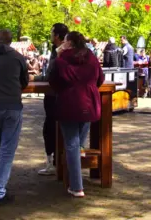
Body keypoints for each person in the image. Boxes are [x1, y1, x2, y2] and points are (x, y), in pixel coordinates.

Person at [49, 31, 104, 198]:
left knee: (72, 144)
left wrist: (58, 55)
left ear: (69, 43)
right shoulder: (91, 57)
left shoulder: (62, 59)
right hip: (90, 103)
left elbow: (53, 81)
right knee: (78, 144)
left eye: (64, 41)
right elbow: (100, 78)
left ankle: (76, 186)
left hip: (69, 103)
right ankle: (76, 179)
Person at [0, 29, 29, 206]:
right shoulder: (17, 57)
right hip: (12, 105)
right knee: (7, 151)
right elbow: (25, 82)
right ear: (11, 42)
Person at [38, 23, 68, 176]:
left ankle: (55, 163)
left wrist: (35, 78)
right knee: (58, 128)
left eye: (51, 32)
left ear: (56, 35)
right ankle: (58, 162)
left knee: (50, 128)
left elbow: (52, 75)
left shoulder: (60, 51)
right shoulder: (65, 49)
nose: (50, 35)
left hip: (55, 96)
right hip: (63, 96)